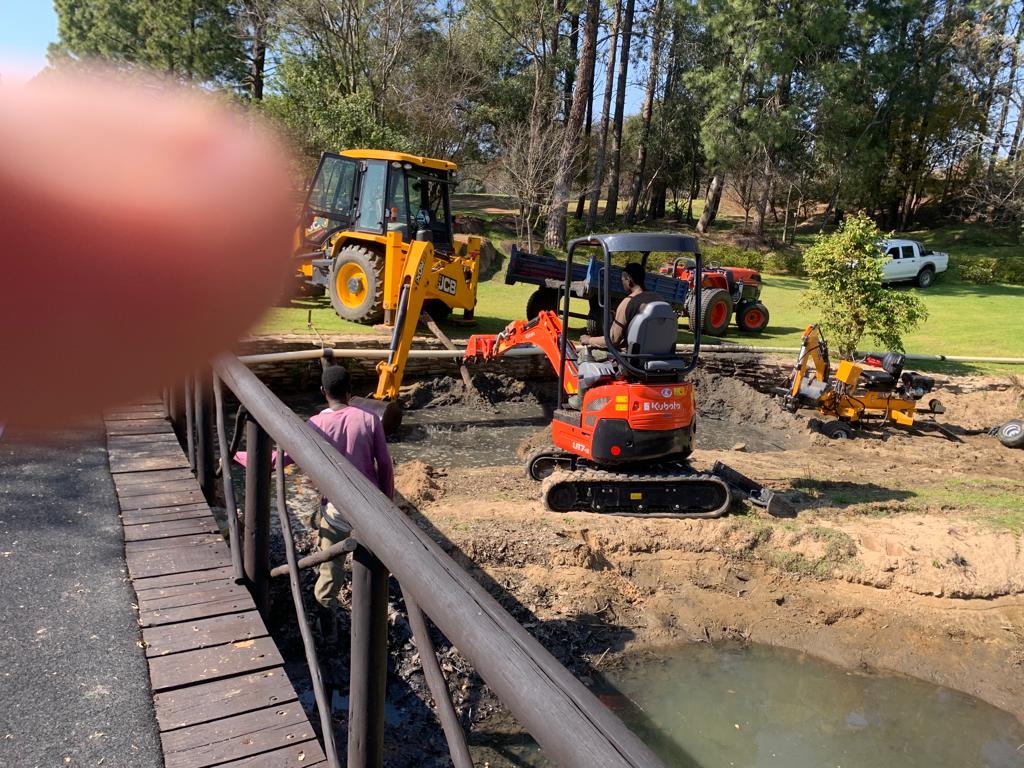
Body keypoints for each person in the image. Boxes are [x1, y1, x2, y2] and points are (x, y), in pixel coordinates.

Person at [306, 365, 394, 610]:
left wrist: (238, 456)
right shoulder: (369, 419)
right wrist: (387, 501)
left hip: (336, 508)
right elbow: (385, 464)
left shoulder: (314, 424)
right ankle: (372, 612)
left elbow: (282, 458)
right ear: (350, 391)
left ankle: (327, 616)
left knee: (330, 569)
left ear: (323, 391)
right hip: (369, 507)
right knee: (372, 563)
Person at [579, 262, 661, 350]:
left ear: (629, 280)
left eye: (623, 280)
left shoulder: (628, 302)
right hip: (659, 352)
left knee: (585, 354)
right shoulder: (658, 298)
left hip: (634, 356)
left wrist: (589, 340)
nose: (622, 283)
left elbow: (613, 339)